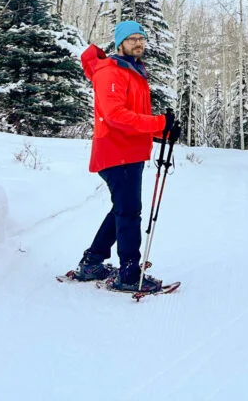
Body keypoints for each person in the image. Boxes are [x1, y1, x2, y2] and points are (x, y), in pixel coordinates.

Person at [74, 20, 180, 292]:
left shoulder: (132, 71)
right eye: (132, 38)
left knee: (122, 210)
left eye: (141, 39)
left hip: (128, 152)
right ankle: (129, 274)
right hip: (116, 152)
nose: (138, 43)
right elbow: (115, 116)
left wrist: (164, 132)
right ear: (119, 42)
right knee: (129, 213)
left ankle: (92, 262)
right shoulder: (111, 71)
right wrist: (158, 123)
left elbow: (134, 117)